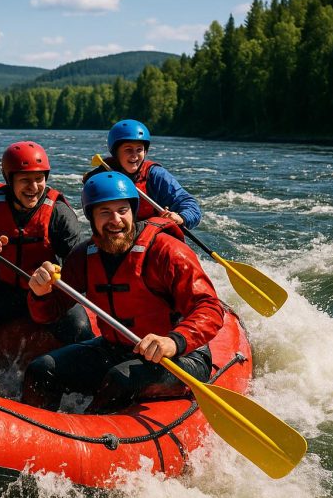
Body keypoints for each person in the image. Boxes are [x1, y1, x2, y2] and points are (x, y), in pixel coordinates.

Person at [21, 172, 223, 413]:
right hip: (115, 348)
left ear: (133, 212)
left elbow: (210, 308)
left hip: (180, 357)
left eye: (122, 210)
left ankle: (88, 438)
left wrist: (173, 341)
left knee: (120, 379)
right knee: (41, 370)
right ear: (92, 217)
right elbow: (48, 314)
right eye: (104, 212)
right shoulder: (83, 257)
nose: (115, 220)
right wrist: (40, 294)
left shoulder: (168, 252)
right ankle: (39, 434)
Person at [0, 141, 94, 382]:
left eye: (39, 179)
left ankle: (78, 388)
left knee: (80, 330)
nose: (33, 187)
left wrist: (56, 275)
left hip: (45, 294)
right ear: (10, 180)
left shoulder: (59, 213)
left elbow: (77, 266)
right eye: (25, 180)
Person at [84, 119, 201, 228]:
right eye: (128, 149)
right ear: (115, 153)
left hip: (151, 233)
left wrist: (181, 218)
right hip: (117, 232)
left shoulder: (156, 175)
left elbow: (189, 205)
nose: (134, 155)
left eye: (139, 149)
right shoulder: (103, 175)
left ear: (145, 152)